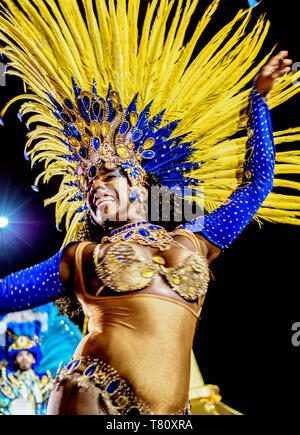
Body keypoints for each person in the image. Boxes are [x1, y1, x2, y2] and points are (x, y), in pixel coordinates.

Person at [0, 0, 300, 415]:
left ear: (137, 183)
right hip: (93, 401)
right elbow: (5, 292)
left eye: (106, 176)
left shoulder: (196, 241)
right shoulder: (82, 257)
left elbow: (256, 186)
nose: (94, 188)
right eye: (88, 184)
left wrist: (258, 101)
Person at [0, 320, 53, 415]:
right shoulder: (7, 380)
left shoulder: (45, 381)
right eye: (20, 354)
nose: (24, 358)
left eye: (28, 354)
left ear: (34, 359)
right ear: (15, 360)